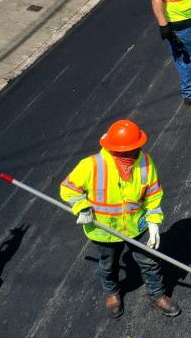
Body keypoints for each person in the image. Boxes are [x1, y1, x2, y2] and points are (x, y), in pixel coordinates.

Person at [59, 119, 180, 319]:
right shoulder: (91, 165)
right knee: (108, 264)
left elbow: (153, 194)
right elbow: (68, 188)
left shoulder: (145, 162)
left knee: (149, 262)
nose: (134, 153)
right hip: (103, 229)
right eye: (130, 150)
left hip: (136, 225)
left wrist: (153, 220)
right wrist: (82, 207)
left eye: (136, 148)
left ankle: (157, 295)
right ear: (114, 148)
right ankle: (112, 293)